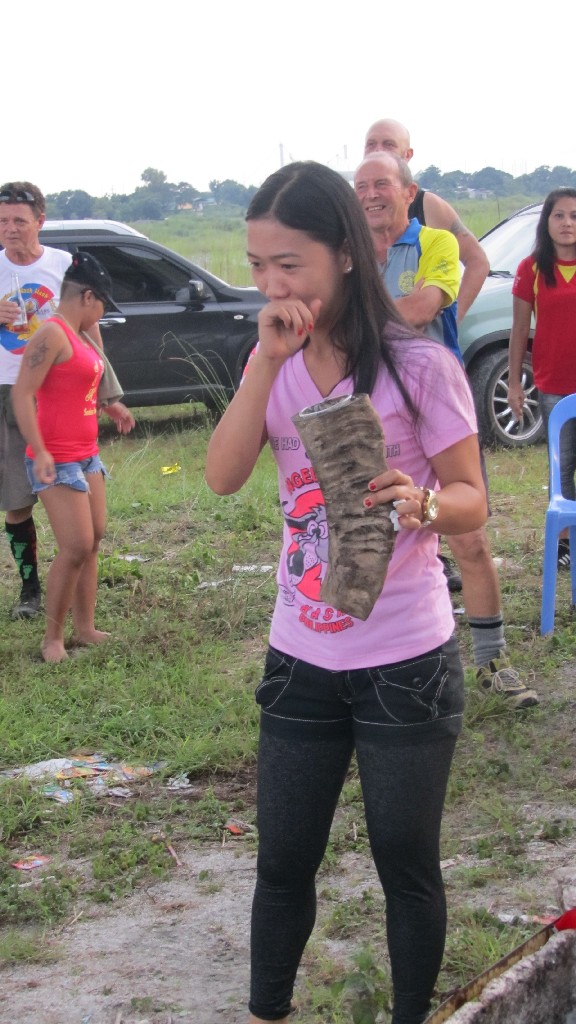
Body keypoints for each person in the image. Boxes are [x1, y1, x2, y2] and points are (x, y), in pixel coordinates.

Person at [205, 160, 487, 1024]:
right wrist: (266, 363)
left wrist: (423, 502)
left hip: (406, 657)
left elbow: (472, 499)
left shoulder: (417, 367)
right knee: (283, 862)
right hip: (302, 655)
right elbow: (222, 476)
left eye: (290, 264)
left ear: (348, 254)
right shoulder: (271, 364)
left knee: (407, 866)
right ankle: (267, 1013)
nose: (273, 285)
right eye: (259, 266)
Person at [354, 153, 539, 709]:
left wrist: (354, 318)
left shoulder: (435, 242)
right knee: (373, 534)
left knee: (468, 534)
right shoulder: (346, 252)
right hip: (369, 410)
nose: (370, 195)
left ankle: (493, 662)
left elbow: (420, 309)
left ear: (409, 192)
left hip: (437, 409)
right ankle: (380, 666)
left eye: (381, 183)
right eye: (360, 186)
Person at [0, 181, 134, 621]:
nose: (10, 229)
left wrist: (107, 393)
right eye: (2, 221)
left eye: (19, 220)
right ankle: (30, 588)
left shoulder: (64, 266)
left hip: (62, 394)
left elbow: (90, 335)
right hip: (8, 388)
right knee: (17, 499)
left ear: (40, 221)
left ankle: (79, 613)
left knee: (85, 528)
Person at [12, 252, 126, 663]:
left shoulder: (79, 335)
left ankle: (85, 628)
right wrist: (40, 449)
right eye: (102, 305)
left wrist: (111, 406)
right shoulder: (52, 334)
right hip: (56, 458)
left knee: (93, 539)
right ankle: (52, 639)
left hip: (86, 455)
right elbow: (22, 394)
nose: (102, 314)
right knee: (75, 545)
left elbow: (79, 386)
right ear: (88, 296)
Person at [509, 187, 576, 569]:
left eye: (575, 216)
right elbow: (520, 330)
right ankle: (564, 544)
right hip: (553, 387)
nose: (567, 223)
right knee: (561, 467)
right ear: (546, 221)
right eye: (559, 215)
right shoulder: (531, 269)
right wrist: (515, 384)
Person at [363, 119, 489, 322]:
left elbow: (478, 261)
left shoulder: (428, 205)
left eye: (388, 144)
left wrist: (453, 318)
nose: (378, 150)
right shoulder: (355, 209)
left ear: (407, 155)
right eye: (371, 144)